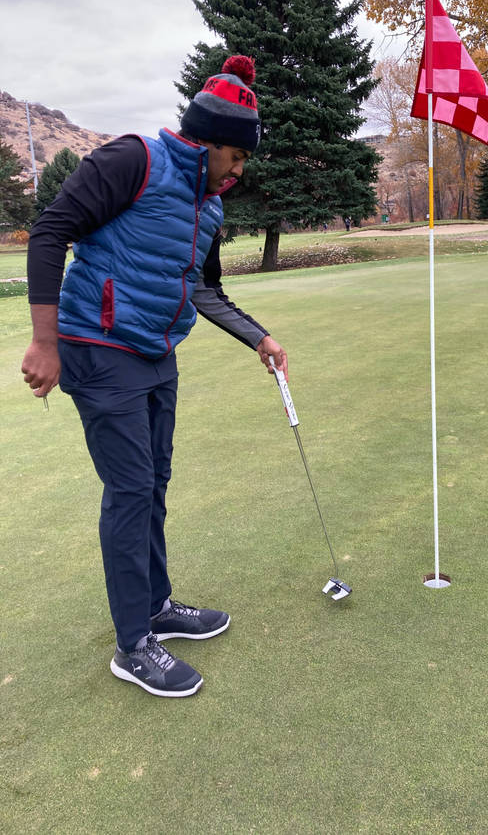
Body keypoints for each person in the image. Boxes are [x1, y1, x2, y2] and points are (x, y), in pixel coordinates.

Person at [21, 56, 288, 699]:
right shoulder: (133, 160)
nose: (239, 171)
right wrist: (44, 341)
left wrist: (260, 338)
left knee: (155, 482)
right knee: (132, 488)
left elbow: (202, 288)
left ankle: (158, 606)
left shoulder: (209, 211)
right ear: (209, 142)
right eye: (236, 157)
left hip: (156, 354)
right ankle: (132, 643)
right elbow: (50, 231)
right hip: (96, 346)